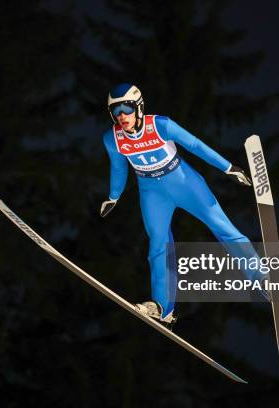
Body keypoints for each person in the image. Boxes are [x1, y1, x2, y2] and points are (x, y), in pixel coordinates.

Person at [100, 83, 267, 324]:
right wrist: (113, 196)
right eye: (116, 111)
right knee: (158, 245)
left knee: (222, 227)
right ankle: (163, 307)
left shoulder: (160, 125)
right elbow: (118, 168)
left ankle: (261, 277)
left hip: (184, 183)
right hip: (151, 192)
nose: (122, 116)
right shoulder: (112, 139)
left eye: (127, 108)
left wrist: (228, 168)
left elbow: (196, 145)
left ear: (139, 107)